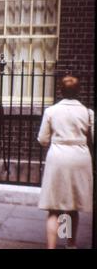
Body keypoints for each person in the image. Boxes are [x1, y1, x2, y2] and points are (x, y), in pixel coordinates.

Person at [38, 75, 94, 249]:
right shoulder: (87, 112)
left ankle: (51, 247)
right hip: (80, 158)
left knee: (54, 208)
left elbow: (42, 139)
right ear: (78, 91)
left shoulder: (51, 111)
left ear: (61, 91)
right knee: (72, 206)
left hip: (58, 158)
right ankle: (70, 244)